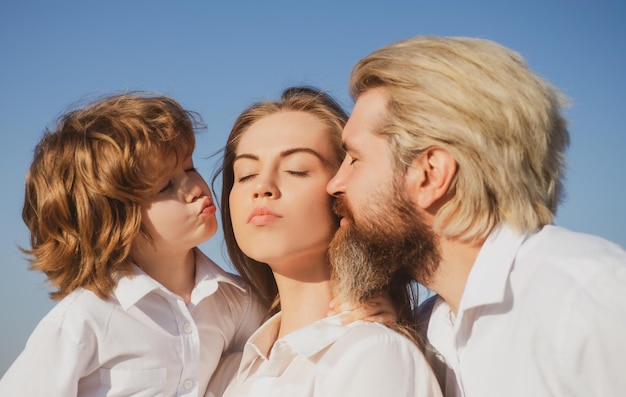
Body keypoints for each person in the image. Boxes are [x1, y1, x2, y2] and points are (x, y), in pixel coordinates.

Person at [326, 36, 626, 397]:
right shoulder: (426, 329)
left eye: (355, 158)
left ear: (431, 174)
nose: (335, 184)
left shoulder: (588, 297)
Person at [0, 93, 265, 396]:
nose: (195, 188)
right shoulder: (84, 319)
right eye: (166, 186)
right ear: (113, 223)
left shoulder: (238, 301)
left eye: (190, 169)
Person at [208, 86, 442, 396]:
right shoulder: (226, 373)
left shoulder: (370, 352)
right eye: (246, 174)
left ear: (343, 189)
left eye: (297, 170)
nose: (262, 186)